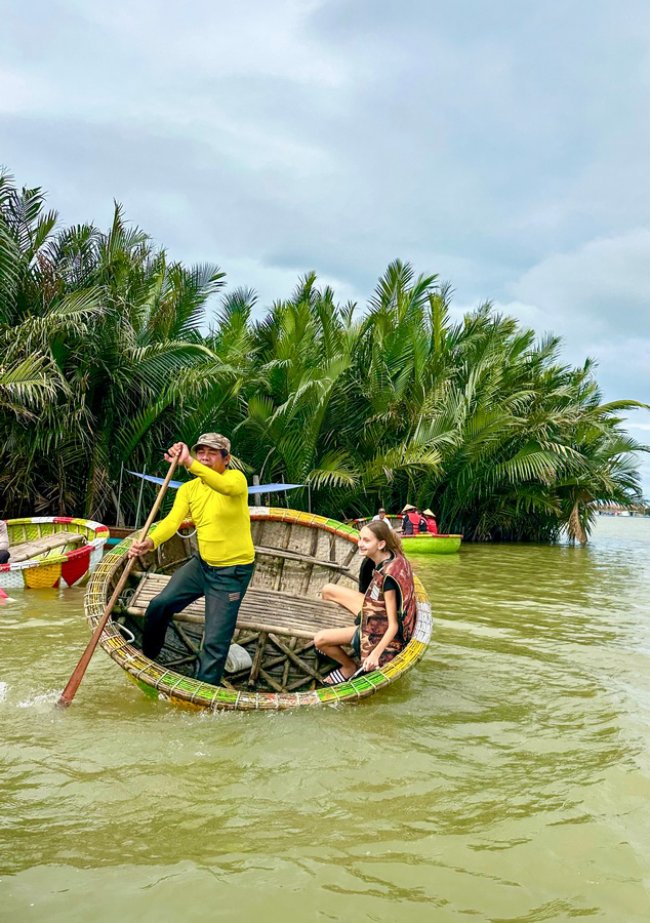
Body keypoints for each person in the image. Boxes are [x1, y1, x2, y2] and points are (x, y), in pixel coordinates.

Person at [128, 433, 255, 686]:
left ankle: (203, 694)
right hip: (202, 565)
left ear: (226, 458)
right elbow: (171, 522)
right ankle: (149, 658)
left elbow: (224, 487)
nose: (205, 457)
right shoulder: (188, 489)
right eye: (201, 452)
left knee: (215, 642)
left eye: (212, 453)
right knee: (159, 605)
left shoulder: (235, 480)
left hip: (232, 573)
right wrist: (149, 542)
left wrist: (188, 463)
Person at [314, 520, 417, 684]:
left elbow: (393, 626)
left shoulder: (388, 579)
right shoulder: (391, 555)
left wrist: (375, 654)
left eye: (366, 540)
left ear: (382, 544)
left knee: (319, 639)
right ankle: (340, 638)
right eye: (360, 538)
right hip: (374, 610)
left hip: (379, 628)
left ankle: (349, 666)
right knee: (328, 590)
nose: (360, 544)